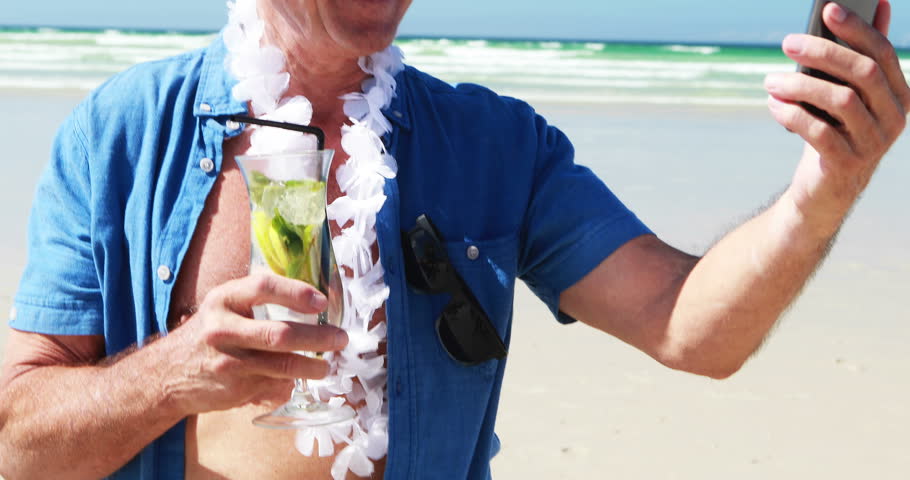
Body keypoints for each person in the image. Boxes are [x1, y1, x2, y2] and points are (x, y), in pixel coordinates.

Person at [1, 0, 907, 478]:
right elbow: (17, 446)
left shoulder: (496, 147)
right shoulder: (122, 135)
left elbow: (689, 326)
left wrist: (824, 190)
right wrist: (176, 373)